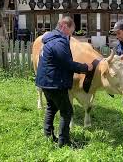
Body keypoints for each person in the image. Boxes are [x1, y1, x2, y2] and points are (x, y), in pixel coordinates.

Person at [35, 16, 93, 148]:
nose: (71, 35)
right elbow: (67, 63)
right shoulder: (59, 42)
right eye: (71, 31)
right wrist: (85, 67)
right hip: (55, 83)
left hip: (45, 82)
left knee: (51, 107)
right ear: (64, 26)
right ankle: (64, 141)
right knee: (67, 112)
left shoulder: (49, 40)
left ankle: (48, 134)